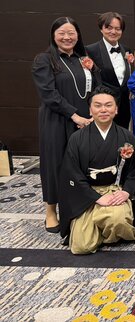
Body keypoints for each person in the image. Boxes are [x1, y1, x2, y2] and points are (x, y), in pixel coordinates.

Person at [32, 17, 101, 233]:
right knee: (55, 164)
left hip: (84, 121)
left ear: (78, 35)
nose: (67, 37)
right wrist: (74, 115)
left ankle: (78, 207)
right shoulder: (44, 60)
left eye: (71, 33)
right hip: (56, 120)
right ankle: (51, 211)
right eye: (62, 33)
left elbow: (96, 90)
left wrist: (94, 71)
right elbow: (48, 93)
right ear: (53, 35)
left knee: (81, 164)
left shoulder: (83, 59)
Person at [58, 86, 135, 254]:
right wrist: (96, 198)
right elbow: (72, 174)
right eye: (98, 105)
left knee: (118, 220)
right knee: (81, 247)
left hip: (114, 190)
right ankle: (99, 225)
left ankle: (102, 225)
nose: (103, 110)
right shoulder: (77, 139)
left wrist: (126, 192)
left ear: (116, 109)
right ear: (90, 110)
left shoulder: (127, 137)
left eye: (108, 105)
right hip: (86, 194)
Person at [86, 12, 133, 129]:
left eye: (118, 29)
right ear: (101, 29)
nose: (113, 32)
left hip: (124, 107)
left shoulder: (126, 50)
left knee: (122, 135)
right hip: (103, 106)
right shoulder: (91, 50)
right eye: (109, 28)